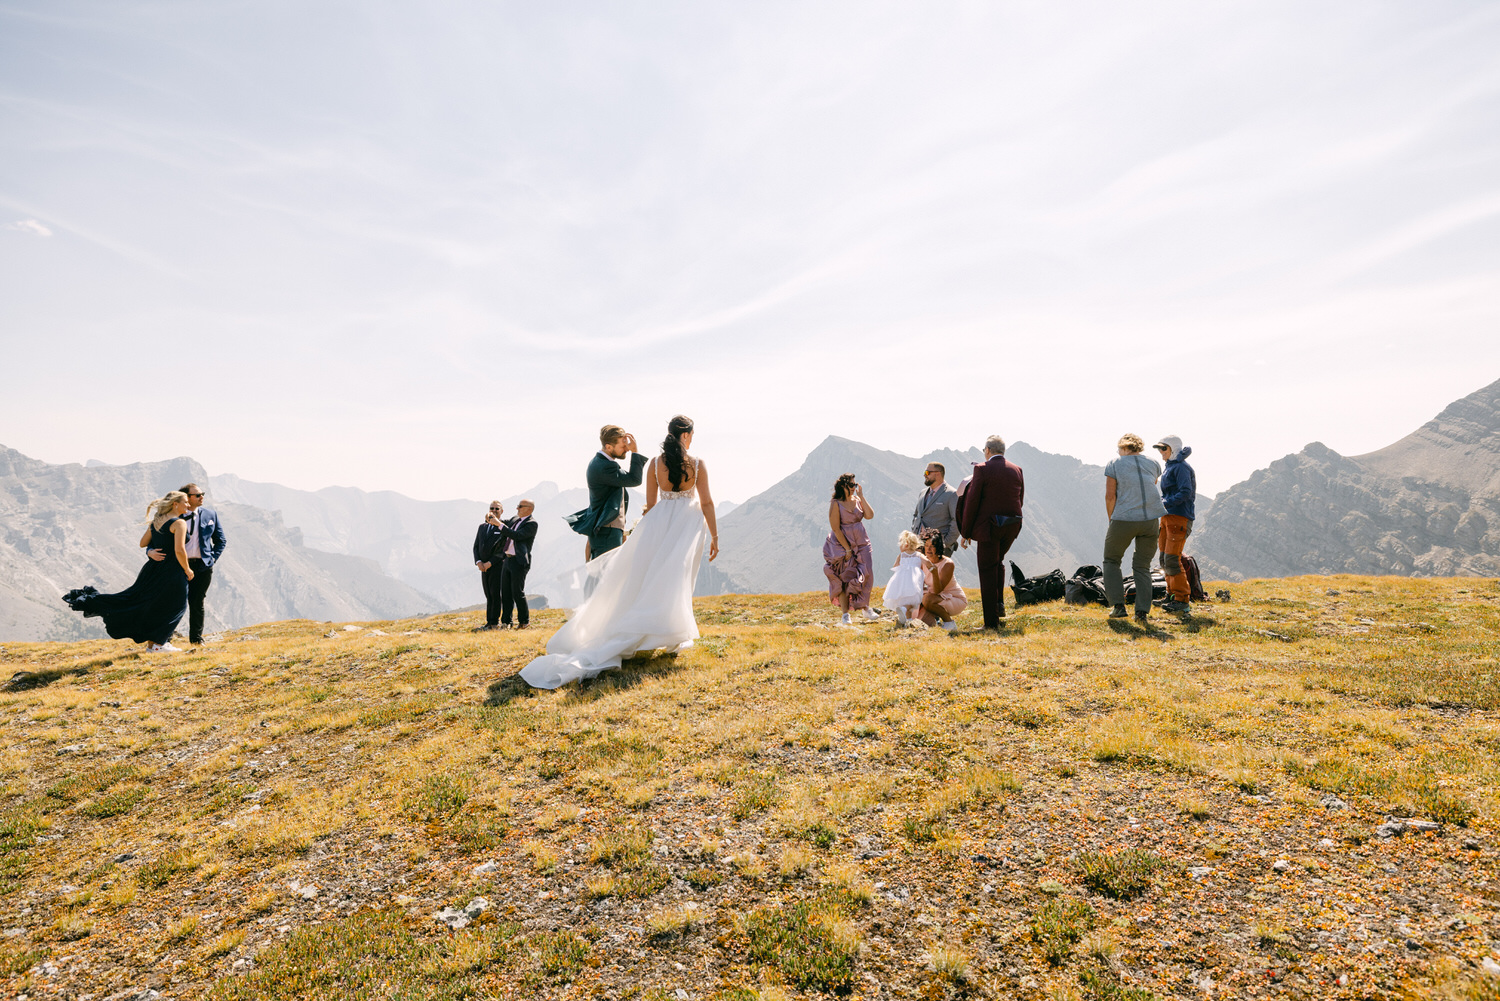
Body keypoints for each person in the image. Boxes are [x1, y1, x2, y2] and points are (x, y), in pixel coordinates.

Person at [520, 415, 719, 689]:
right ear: (686, 435)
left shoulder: (655, 464)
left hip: (659, 523)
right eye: (692, 433)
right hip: (687, 524)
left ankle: (662, 629)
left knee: (651, 576)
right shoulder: (697, 464)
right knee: (677, 576)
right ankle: (671, 631)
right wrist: (715, 535)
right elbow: (706, 501)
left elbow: (650, 505)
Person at [63, 492, 194, 652]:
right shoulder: (179, 523)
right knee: (176, 606)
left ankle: (156, 645)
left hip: (153, 570)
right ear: (175, 504)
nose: (188, 505)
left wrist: (150, 551)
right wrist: (187, 569)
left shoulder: (157, 521)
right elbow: (179, 550)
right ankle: (158, 645)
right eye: (186, 502)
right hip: (172, 571)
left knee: (151, 604)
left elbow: (143, 543)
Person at [956, 435, 1025, 629]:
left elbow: (972, 502)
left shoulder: (981, 469)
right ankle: (999, 606)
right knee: (998, 563)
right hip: (1011, 525)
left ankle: (991, 623)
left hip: (989, 528)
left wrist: (966, 531)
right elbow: (1020, 499)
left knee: (987, 570)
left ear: (987, 450)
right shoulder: (1016, 469)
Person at [146, 483, 226, 645]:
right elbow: (154, 538)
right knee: (173, 602)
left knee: (197, 603)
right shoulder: (173, 516)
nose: (202, 496)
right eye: (197, 495)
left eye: (202, 494)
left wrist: (212, 559)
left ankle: (196, 640)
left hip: (203, 566)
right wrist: (149, 551)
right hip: (177, 566)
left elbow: (220, 540)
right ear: (186, 498)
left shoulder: (211, 515)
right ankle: (165, 640)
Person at [1103, 433, 1167, 623]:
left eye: (1118, 449)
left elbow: (1110, 496)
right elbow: (1152, 484)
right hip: (1150, 520)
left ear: (1124, 448)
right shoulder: (1154, 463)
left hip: (1124, 519)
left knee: (1111, 561)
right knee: (1142, 566)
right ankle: (1141, 613)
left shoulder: (1115, 463)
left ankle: (1118, 606)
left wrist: (1111, 519)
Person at [567, 425, 648, 561]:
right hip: (607, 532)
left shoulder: (602, 463)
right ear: (609, 447)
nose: (627, 449)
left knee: (606, 577)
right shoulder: (605, 466)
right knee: (605, 577)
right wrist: (635, 452)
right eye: (623, 446)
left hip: (610, 530)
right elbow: (634, 479)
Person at [823, 473, 877, 626]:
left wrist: (861, 496)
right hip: (842, 544)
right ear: (843, 486)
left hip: (862, 542)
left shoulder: (858, 499)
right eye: (852, 485)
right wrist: (847, 549)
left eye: (855, 484)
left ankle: (865, 607)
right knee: (845, 577)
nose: (854, 487)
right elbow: (836, 528)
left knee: (867, 574)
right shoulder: (836, 503)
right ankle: (845, 615)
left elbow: (870, 515)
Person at [1154, 435, 1196, 615]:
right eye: (1159, 449)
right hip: (1167, 517)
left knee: (1172, 559)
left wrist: (1165, 503)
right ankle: (1171, 595)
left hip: (1179, 518)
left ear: (1173, 449)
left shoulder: (1181, 467)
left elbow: (1186, 492)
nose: (1161, 452)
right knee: (1164, 558)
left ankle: (1182, 600)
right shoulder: (1171, 466)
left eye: (1164, 448)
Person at [489, 499, 537, 629]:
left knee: (517, 592)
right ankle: (507, 621)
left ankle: (524, 621)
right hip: (508, 559)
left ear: (529, 509)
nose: (517, 508)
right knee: (506, 593)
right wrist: (494, 518)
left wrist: (499, 524)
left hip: (519, 561)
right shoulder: (516, 519)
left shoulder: (532, 524)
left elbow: (517, 535)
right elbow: (505, 524)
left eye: (520, 506)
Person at [917, 529, 967, 632]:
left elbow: (937, 591)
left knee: (927, 600)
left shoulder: (947, 564)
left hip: (954, 599)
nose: (928, 549)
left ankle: (949, 623)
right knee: (918, 603)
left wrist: (934, 572)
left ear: (938, 547)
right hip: (934, 597)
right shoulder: (924, 562)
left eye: (932, 546)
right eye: (926, 545)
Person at [881, 530, 927, 627]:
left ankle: (905, 617)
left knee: (904, 602)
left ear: (906, 545)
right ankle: (908, 619)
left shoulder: (901, 556)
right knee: (911, 603)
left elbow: (895, 566)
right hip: (914, 583)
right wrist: (932, 567)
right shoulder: (919, 555)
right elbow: (927, 562)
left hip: (901, 583)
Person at [911, 462, 960, 554]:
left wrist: (945, 544)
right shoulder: (922, 492)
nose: (924, 475)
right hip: (918, 546)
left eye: (927, 472)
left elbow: (957, 521)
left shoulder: (952, 494)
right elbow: (916, 515)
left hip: (938, 549)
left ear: (938, 473)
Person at [473, 501, 506, 630]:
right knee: (488, 594)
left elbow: (502, 550)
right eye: (491, 508)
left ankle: (494, 622)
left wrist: (490, 562)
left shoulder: (502, 527)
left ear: (501, 511)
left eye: (497, 508)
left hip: (496, 566)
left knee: (495, 594)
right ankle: (489, 621)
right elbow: (476, 546)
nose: (494, 510)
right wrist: (479, 562)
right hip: (483, 568)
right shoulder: (482, 527)